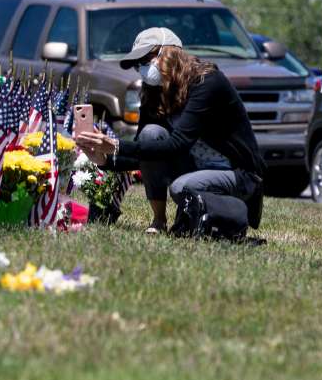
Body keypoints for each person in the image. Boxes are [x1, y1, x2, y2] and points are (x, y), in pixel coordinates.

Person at [75, 27, 266, 234]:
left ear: (170, 52)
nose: (142, 68)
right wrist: (103, 159)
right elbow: (146, 153)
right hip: (194, 168)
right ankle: (159, 221)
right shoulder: (154, 92)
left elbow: (178, 143)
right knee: (151, 134)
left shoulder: (208, 82)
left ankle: (232, 213)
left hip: (235, 173)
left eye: (146, 59)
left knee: (180, 187)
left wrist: (116, 145)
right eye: (137, 64)